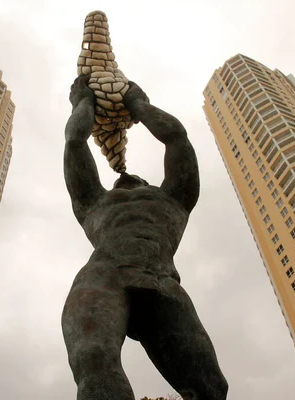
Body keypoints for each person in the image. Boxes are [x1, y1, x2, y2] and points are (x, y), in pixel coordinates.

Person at [62, 75, 228, 400]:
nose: (123, 178)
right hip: (103, 280)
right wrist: (83, 103)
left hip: (160, 281)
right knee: (92, 356)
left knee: (210, 386)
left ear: (147, 185)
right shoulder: (93, 203)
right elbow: (75, 143)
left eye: (132, 179)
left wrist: (138, 104)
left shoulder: (175, 198)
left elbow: (177, 138)